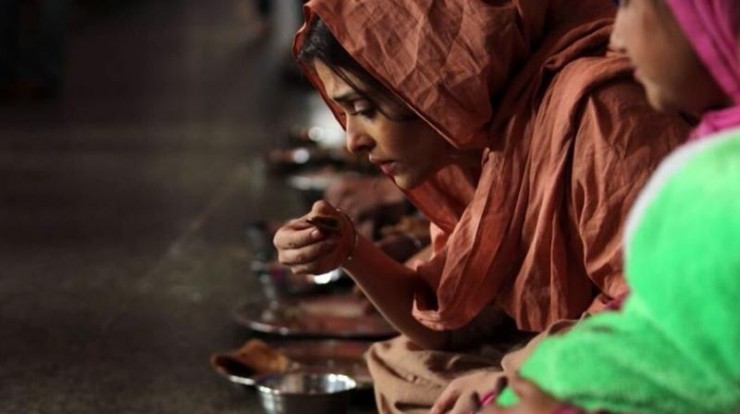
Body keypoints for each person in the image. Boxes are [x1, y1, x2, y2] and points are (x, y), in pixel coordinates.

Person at [273, 1, 689, 412]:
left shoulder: (604, 111)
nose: (353, 141)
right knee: (400, 364)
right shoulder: (478, 141)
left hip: (652, 361)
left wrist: (515, 380)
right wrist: (349, 249)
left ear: (434, 82)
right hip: (575, 350)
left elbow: (658, 317)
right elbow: (450, 323)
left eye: (364, 109)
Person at [470, 0, 740, 413]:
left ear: (708, 11)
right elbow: (660, 316)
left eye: (630, 5)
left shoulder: (608, 105)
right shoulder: (711, 155)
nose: (615, 37)